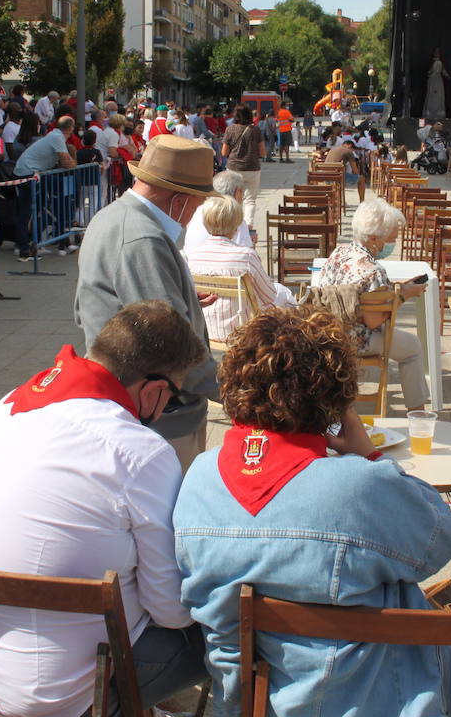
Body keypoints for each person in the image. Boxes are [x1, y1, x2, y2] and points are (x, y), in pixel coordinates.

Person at [174, 307, 451, 717]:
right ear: (333, 399)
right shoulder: (359, 487)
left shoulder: (198, 479)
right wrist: (370, 454)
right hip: (374, 706)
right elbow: (440, 538)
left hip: (248, 707)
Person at [0, 301, 209, 717]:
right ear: (155, 390)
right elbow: (170, 611)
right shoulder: (139, 453)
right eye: (172, 395)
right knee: (222, 632)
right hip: (64, 696)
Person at [74, 135, 220, 470]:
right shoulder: (143, 238)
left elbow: (98, 304)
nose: (192, 215)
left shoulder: (112, 216)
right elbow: (173, 349)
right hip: (159, 419)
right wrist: (237, 389)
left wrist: (181, 295)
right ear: (179, 199)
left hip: (134, 403)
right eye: (196, 205)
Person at [315, 198, 428, 413]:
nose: (392, 243)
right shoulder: (373, 270)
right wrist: (404, 297)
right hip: (355, 339)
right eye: (390, 239)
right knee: (412, 347)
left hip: (327, 331)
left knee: (407, 343)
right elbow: (374, 320)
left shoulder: (340, 252)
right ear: (375, 238)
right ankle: (418, 413)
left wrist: (398, 290)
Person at [184, 195, 296, 343]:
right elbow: (269, 296)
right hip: (242, 330)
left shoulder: (193, 257)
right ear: (235, 224)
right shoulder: (245, 256)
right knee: (285, 295)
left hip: (207, 329)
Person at [11, 116, 77, 261]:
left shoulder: (54, 135)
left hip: (29, 172)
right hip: (28, 173)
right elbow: (67, 162)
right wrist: (72, 160)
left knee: (37, 207)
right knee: (27, 211)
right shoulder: (57, 138)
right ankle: (23, 248)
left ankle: (29, 243)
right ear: (70, 128)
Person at [183, 170, 251, 253]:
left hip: (190, 263)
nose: (242, 198)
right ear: (238, 193)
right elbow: (247, 255)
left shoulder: (197, 211)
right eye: (242, 193)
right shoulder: (236, 217)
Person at [222, 106, 263, 230]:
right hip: (252, 168)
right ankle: (248, 226)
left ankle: (235, 227)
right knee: (250, 200)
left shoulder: (230, 130)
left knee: (234, 199)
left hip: (234, 168)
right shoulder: (256, 130)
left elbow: (224, 152)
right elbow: (263, 152)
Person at [326, 137, 367, 201]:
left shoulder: (333, 149)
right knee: (362, 179)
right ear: (349, 145)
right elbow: (355, 170)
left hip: (325, 176)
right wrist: (358, 175)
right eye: (353, 150)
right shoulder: (348, 151)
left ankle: (339, 200)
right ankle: (362, 202)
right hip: (337, 178)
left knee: (342, 174)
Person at [424, 48, 448, 116]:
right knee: (431, 95)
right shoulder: (431, 61)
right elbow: (428, 72)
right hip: (432, 79)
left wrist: (448, 76)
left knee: (439, 95)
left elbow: (444, 71)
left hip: (439, 80)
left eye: (438, 52)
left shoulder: (441, 62)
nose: (437, 54)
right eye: (435, 52)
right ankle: (430, 112)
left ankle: (439, 112)